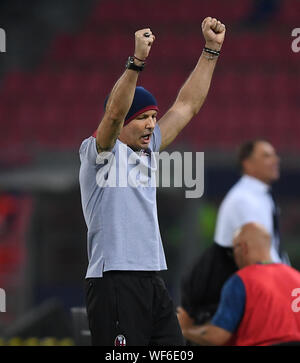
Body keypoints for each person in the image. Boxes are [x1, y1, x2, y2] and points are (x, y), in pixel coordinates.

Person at [79, 17, 226, 346]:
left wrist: (211, 51)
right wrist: (137, 62)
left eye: (153, 118)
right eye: (142, 118)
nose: (150, 125)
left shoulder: (149, 150)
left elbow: (187, 106)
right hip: (114, 279)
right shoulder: (99, 152)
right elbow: (114, 114)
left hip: (151, 278)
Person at [180, 139, 290, 326]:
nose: (275, 160)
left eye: (274, 155)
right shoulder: (243, 199)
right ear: (247, 163)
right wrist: (285, 287)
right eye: (266, 155)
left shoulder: (260, 196)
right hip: (236, 289)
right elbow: (260, 256)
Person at [177, 222, 300, 346]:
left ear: (243, 248)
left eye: (233, 250)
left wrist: (185, 330)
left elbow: (217, 336)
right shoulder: (297, 277)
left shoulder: (241, 280)